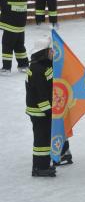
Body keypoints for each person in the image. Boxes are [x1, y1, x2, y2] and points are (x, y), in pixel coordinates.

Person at [25, 36, 56, 177]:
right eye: (50, 50)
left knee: (44, 138)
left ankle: (43, 163)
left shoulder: (44, 65)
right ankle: (39, 168)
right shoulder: (38, 69)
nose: (53, 52)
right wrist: (48, 111)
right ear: (43, 52)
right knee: (41, 140)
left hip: (43, 109)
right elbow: (41, 94)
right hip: (39, 111)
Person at [0, 0, 28, 75]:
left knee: (7, 46)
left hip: (10, 29)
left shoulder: (7, 0)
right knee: (20, 47)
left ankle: (6, 68)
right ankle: (24, 66)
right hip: (20, 29)